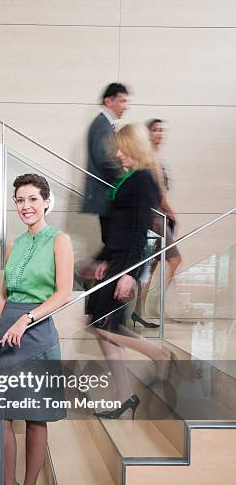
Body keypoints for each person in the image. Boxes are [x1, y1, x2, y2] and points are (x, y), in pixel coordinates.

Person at [0, 173, 74, 485]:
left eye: (33, 199)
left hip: (38, 334)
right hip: (7, 332)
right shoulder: (15, 244)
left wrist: (27, 320)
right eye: (20, 200)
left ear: (47, 202)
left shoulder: (60, 240)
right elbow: (3, 294)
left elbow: (63, 293)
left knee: (35, 418)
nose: (26, 206)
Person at [88, 125, 175, 419]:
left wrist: (128, 273)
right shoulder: (129, 178)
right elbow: (118, 228)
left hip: (125, 263)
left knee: (102, 326)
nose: (118, 153)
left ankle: (158, 354)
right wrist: (102, 258)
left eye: (123, 148)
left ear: (136, 148)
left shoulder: (142, 181)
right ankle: (125, 396)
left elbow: (139, 232)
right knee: (101, 328)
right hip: (114, 260)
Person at [131, 119, 182, 327]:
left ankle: (139, 311)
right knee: (175, 259)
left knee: (150, 267)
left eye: (162, 130)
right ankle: (155, 305)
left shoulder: (151, 157)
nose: (160, 133)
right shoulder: (149, 157)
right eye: (156, 130)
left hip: (154, 216)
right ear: (148, 133)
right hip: (156, 217)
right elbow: (159, 194)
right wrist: (172, 213)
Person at [83, 82, 129, 249]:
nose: (126, 106)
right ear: (108, 101)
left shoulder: (105, 124)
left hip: (107, 193)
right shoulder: (102, 125)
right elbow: (105, 160)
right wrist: (127, 179)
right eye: (122, 101)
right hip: (106, 193)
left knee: (112, 244)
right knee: (112, 243)